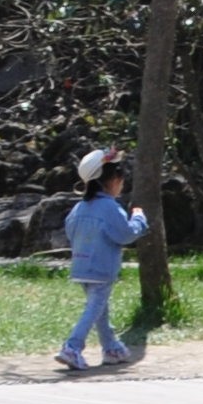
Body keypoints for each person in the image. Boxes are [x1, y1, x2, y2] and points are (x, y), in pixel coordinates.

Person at [60, 149, 146, 375]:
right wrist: (139, 218)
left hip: (81, 266)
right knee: (94, 308)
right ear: (114, 181)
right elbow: (126, 234)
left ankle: (111, 348)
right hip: (102, 268)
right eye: (120, 180)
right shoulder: (110, 207)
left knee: (100, 308)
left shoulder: (79, 208)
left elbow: (70, 230)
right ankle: (72, 346)